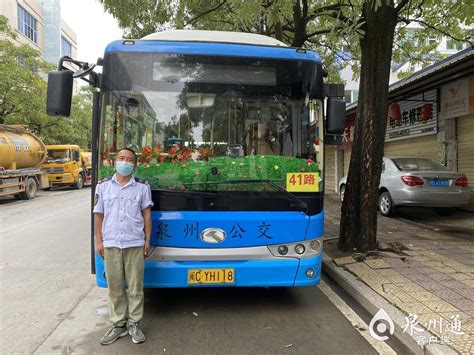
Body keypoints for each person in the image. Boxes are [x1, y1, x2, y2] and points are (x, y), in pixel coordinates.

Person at [93, 147, 153, 345]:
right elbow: (99, 215)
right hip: (111, 243)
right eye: (121, 158)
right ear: (114, 161)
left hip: (134, 243)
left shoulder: (142, 188)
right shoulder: (102, 187)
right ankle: (119, 324)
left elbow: (147, 216)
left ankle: (134, 323)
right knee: (115, 287)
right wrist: (99, 240)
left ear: (134, 165)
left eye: (129, 160)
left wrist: (147, 240)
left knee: (136, 287)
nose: (125, 162)